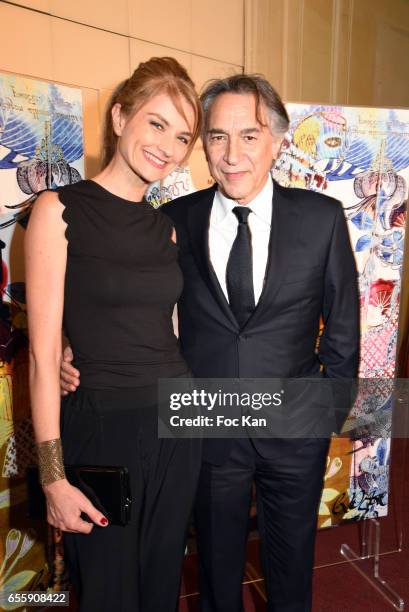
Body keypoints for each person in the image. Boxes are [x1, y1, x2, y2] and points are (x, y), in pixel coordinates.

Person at [61, 74, 360, 612]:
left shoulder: (322, 218)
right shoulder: (173, 221)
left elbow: (343, 328)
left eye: (248, 135)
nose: (231, 154)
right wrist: (69, 345)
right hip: (206, 434)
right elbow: (130, 301)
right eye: (217, 137)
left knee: (292, 572)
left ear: (276, 140)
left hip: (295, 434)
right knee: (215, 575)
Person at [25, 57, 203, 612]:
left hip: (177, 424)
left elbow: (165, 328)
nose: (168, 147)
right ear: (121, 115)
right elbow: (42, 353)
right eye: (157, 124)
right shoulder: (58, 210)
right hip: (102, 430)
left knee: (159, 588)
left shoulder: (166, 226)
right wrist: (53, 478)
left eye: (183, 136)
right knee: (106, 591)